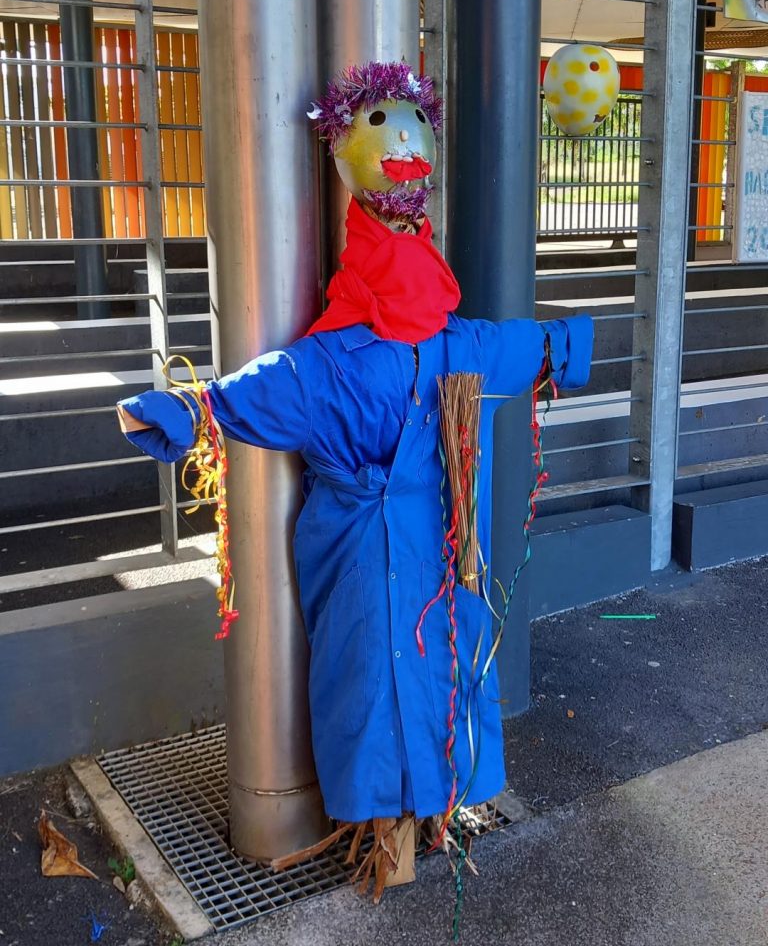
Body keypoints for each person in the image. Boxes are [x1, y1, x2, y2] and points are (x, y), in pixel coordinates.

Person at [117, 61, 593, 829]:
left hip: (410, 550)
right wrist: (567, 345)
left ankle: (409, 826)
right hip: (400, 551)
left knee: (402, 675)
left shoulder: (350, 361)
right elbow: (241, 397)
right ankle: (397, 832)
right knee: (394, 674)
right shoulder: (424, 351)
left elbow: (241, 397)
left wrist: (184, 411)